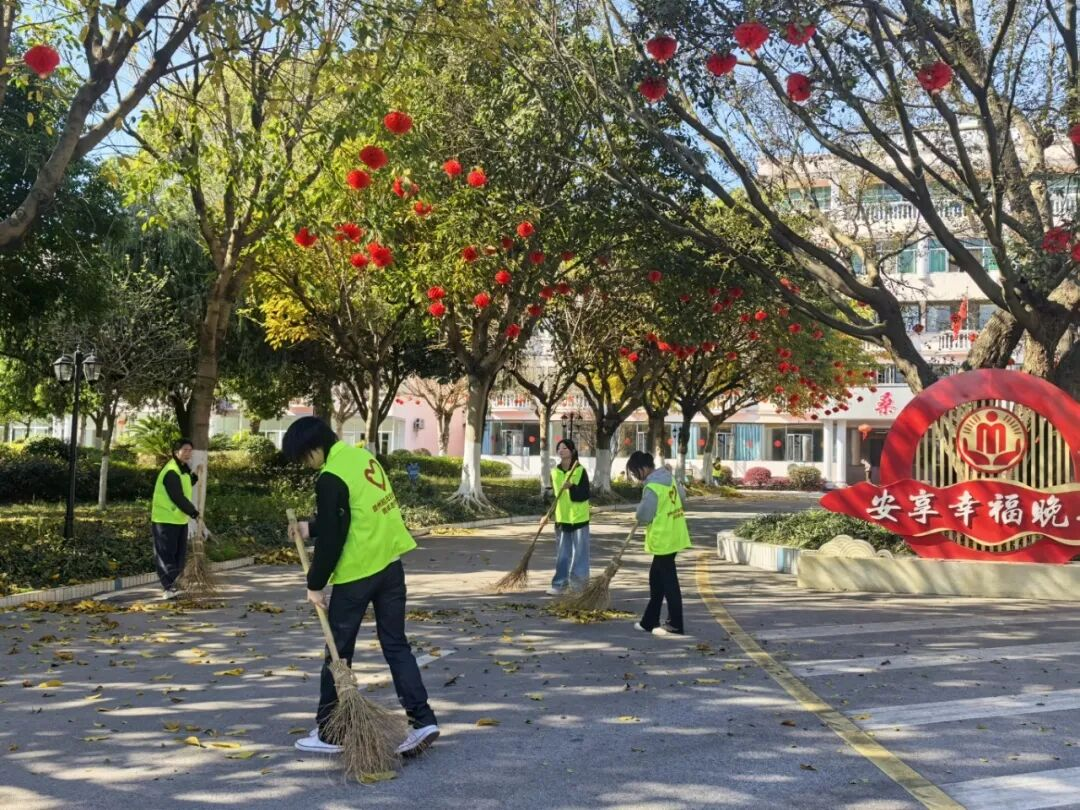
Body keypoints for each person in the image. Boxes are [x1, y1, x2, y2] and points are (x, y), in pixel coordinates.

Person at [283, 416, 439, 758]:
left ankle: (330, 731)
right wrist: (310, 528)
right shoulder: (363, 458)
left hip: (357, 573)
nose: (306, 464)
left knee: (338, 652)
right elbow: (353, 513)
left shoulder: (330, 476)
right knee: (396, 644)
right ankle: (423, 720)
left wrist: (315, 584)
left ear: (314, 448)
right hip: (390, 566)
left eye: (303, 457)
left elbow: (335, 537)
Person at [625, 451, 692, 636]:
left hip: (664, 538)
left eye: (635, 472)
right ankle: (650, 621)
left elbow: (644, 515)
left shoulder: (652, 486)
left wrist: (638, 511)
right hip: (675, 534)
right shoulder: (669, 478)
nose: (636, 477)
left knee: (668, 582)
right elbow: (683, 500)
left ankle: (675, 624)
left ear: (643, 468)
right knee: (656, 578)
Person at [150, 437, 200, 599]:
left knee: (179, 556)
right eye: (185, 450)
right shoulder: (171, 471)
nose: (188, 453)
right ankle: (169, 588)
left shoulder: (183, 469)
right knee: (166, 555)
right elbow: (177, 496)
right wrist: (193, 512)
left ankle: (175, 585)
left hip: (179, 519)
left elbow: (184, 485)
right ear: (176, 452)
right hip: (165, 519)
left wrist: (194, 478)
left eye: (190, 450)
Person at [546, 439, 591, 596]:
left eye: (565, 448)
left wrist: (572, 487)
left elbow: (585, 494)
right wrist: (548, 514)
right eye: (559, 448)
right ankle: (559, 584)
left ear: (572, 451)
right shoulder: (555, 472)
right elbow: (555, 496)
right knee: (562, 554)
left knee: (580, 555)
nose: (561, 450)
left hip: (579, 518)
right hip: (562, 518)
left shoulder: (580, 471)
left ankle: (579, 587)